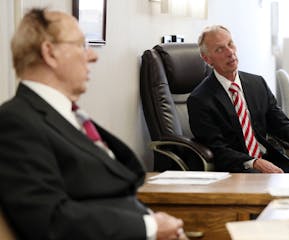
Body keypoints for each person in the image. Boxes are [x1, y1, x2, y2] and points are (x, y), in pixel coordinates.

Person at [0, 8, 188, 240]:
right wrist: (148, 227)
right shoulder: (16, 122)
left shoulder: (70, 116)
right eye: (81, 45)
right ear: (50, 53)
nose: (93, 55)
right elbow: (49, 220)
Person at [187, 25, 289, 173]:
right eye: (220, 49)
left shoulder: (257, 84)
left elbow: (283, 127)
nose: (230, 52)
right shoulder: (200, 99)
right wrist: (253, 162)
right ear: (207, 59)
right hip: (237, 170)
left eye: (231, 44)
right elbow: (217, 149)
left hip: (272, 162)